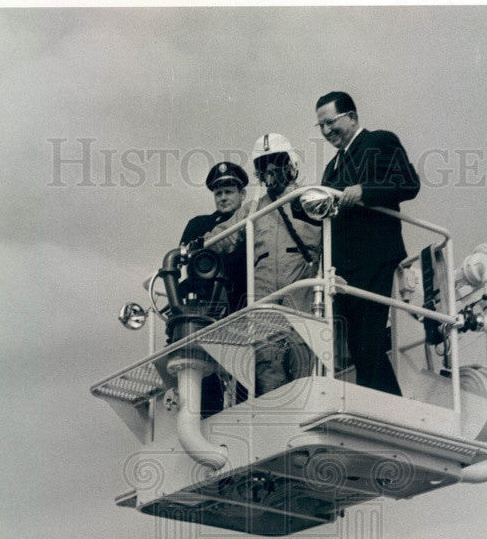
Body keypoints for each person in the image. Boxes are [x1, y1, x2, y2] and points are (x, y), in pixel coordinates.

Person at [316, 91, 420, 395]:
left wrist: (364, 190)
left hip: (374, 256)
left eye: (330, 122)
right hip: (344, 266)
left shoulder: (379, 141)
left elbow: (409, 183)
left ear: (351, 116)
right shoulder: (332, 167)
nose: (326, 131)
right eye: (320, 126)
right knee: (358, 346)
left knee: (368, 340)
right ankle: (386, 404)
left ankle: (380, 408)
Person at [205, 134, 321, 393]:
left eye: (276, 160)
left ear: (291, 163)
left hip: (301, 292)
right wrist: (197, 245)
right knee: (267, 364)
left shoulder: (310, 199)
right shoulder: (252, 209)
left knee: (302, 358)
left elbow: (335, 238)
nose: (270, 169)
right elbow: (223, 237)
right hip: (264, 297)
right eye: (263, 163)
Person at [180, 161, 249, 313]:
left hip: (245, 302)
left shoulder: (252, 222)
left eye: (229, 192)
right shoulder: (198, 225)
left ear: (242, 194)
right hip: (206, 307)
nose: (223, 198)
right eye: (218, 193)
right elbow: (183, 264)